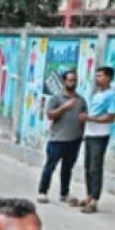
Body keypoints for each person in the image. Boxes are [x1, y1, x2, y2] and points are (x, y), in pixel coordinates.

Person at [37, 68, 86, 204]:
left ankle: (64, 193)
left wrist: (81, 135)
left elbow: (83, 118)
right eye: (70, 80)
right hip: (57, 139)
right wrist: (64, 107)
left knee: (67, 168)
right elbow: (50, 115)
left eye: (74, 80)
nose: (72, 83)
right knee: (50, 166)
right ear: (64, 81)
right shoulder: (56, 98)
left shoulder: (81, 100)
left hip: (74, 140)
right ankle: (42, 191)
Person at [79, 66, 115, 214]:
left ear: (108, 78)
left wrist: (90, 118)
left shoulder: (111, 95)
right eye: (96, 76)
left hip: (100, 135)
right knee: (88, 167)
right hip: (90, 133)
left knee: (96, 167)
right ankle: (89, 195)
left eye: (100, 76)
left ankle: (95, 199)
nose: (97, 78)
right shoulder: (97, 94)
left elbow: (111, 117)